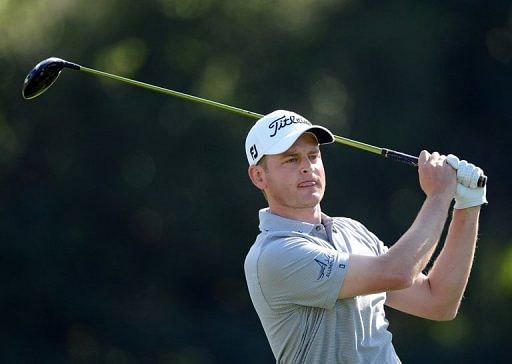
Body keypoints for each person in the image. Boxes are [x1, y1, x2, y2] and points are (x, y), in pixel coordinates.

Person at [243, 110, 487, 363]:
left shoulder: (351, 230)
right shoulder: (273, 254)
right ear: (259, 176)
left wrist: (468, 205)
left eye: (313, 156)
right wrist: (438, 196)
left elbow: (438, 302)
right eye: (291, 160)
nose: (307, 168)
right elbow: (397, 272)